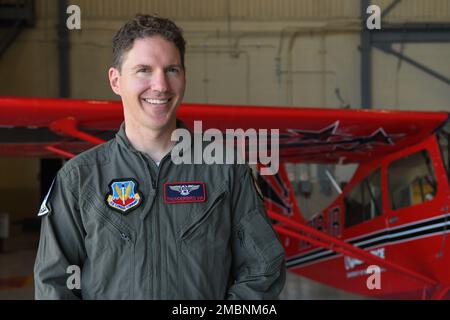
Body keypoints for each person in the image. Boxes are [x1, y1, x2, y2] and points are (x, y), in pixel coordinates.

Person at [34, 14, 286, 300]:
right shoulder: (78, 179)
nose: (161, 85)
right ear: (116, 81)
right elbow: (54, 283)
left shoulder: (226, 171)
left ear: (184, 77)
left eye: (172, 70)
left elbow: (263, 269)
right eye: (144, 70)